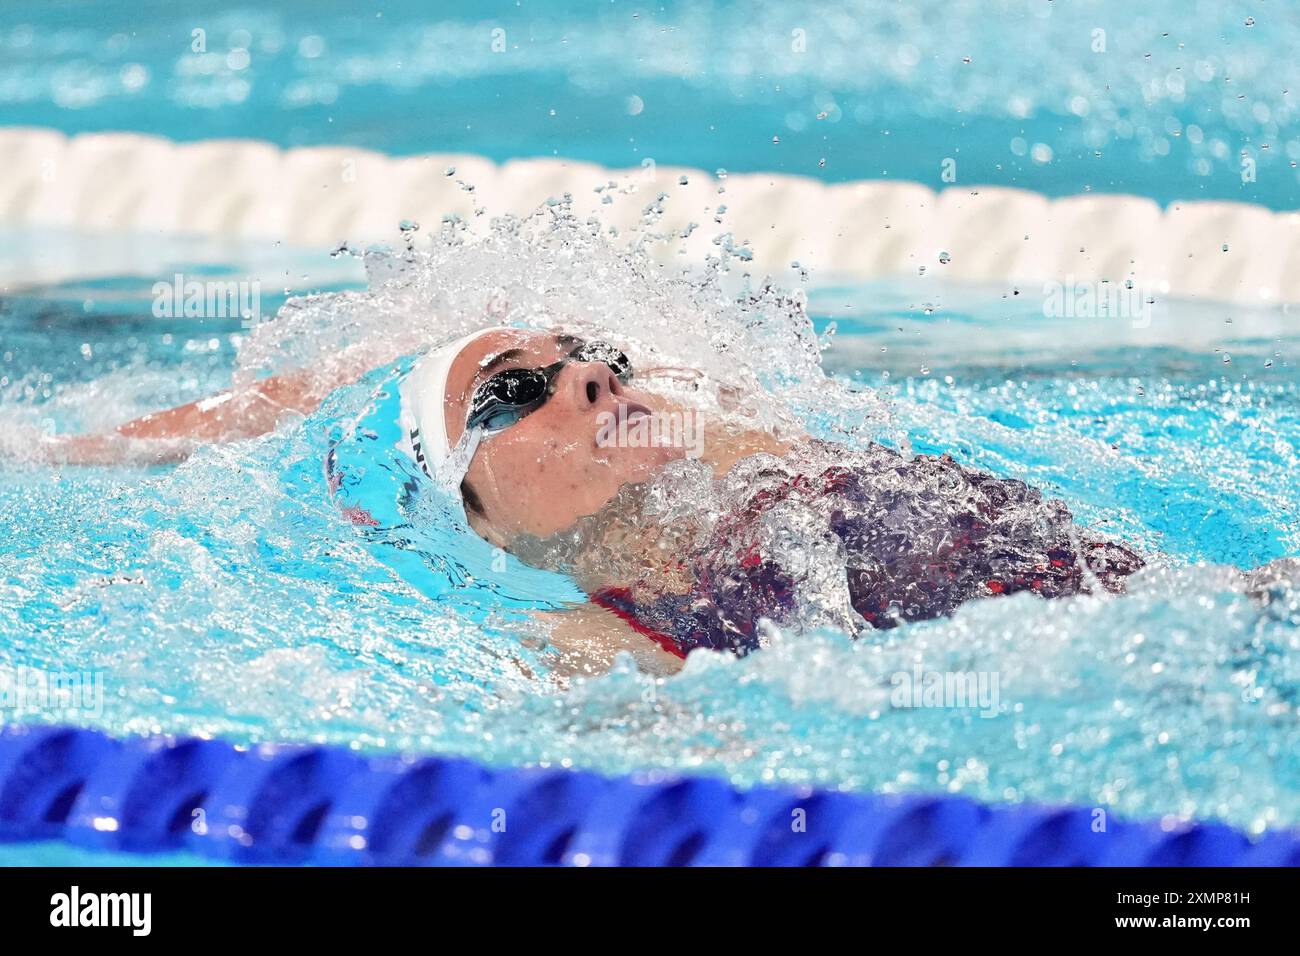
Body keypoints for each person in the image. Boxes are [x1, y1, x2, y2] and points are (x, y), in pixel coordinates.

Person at [34, 325, 1292, 676]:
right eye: (513, 390)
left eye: (589, 355)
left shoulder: (768, 454)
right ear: (473, 516)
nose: (590, 373)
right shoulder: (605, 644)